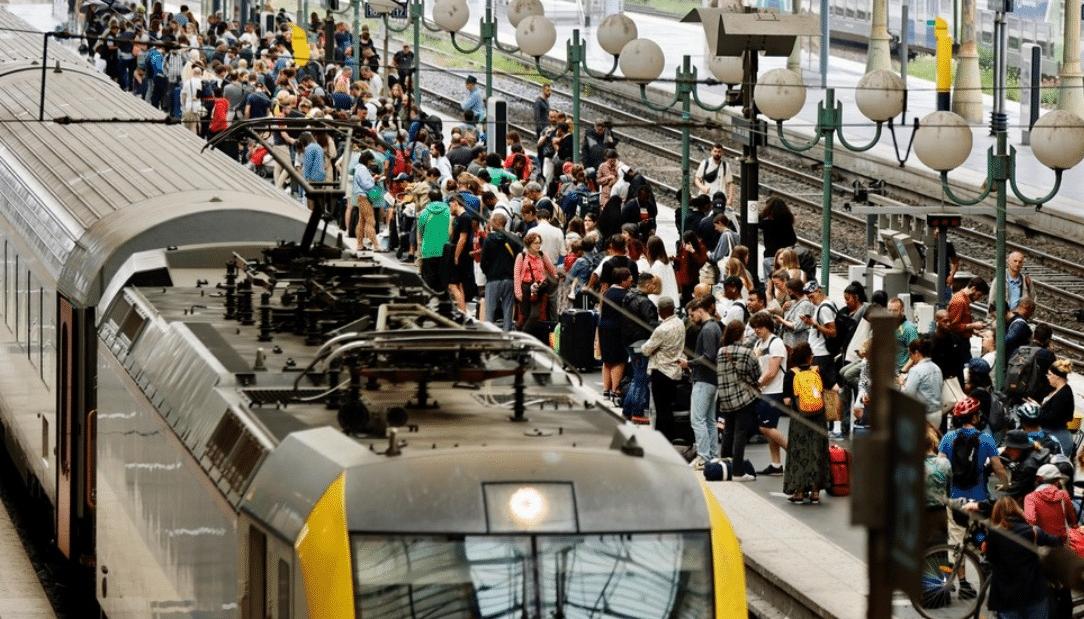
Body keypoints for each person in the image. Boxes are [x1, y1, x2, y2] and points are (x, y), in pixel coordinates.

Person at [940, 398, 1008, 566]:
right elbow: (998, 467)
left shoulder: (948, 438)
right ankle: (983, 557)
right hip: (979, 498)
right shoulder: (986, 439)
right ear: (975, 417)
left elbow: (940, 467)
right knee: (979, 531)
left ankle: (961, 580)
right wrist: (1006, 484)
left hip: (956, 498)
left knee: (957, 536)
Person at [984, 496, 1061, 619]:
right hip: (1034, 593)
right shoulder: (1032, 531)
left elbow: (991, 559)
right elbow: (1057, 542)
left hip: (1007, 597)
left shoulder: (994, 534)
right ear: (1017, 510)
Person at [781, 343, 830, 503]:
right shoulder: (818, 371)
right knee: (817, 451)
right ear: (810, 356)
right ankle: (815, 491)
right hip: (819, 418)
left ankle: (799, 492)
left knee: (799, 452)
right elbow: (832, 389)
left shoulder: (791, 374)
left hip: (800, 420)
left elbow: (787, 401)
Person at [679, 296, 722, 469]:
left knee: (697, 419)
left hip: (704, 379)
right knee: (709, 420)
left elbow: (709, 356)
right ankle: (711, 454)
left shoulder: (708, 329)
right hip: (711, 379)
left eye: (692, 314)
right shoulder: (714, 327)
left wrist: (688, 363)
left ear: (700, 310)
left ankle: (704, 456)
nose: (691, 318)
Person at [717, 319, 761, 481]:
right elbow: (757, 374)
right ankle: (738, 472)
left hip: (726, 397)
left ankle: (725, 465)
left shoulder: (721, 352)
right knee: (740, 433)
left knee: (727, 431)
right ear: (741, 334)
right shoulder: (747, 353)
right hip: (743, 398)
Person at [643, 296, 685, 441]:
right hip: (675, 370)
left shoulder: (661, 329)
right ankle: (670, 437)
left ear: (660, 311)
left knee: (661, 409)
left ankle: (663, 438)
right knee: (668, 407)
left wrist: (654, 350)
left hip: (660, 371)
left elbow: (646, 349)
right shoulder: (680, 323)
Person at [750, 311, 788, 476]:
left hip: (774, 391)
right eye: (755, 327)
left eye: (760, 327)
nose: (757, 330)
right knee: (770, 427)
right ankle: (776, 464)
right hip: (764, 390)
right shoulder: (759, 344)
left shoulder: (776, 343)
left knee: (765, 427)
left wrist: (757, 385)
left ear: (768, 327)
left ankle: (796, 452)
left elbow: (772, 372)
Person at [513, 230, 558, 342]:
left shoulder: (542, 255)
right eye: (535, 243)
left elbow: (552, 270)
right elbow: (516, 275)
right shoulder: (522, 256)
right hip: (525, 287)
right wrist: (518, 292)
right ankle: (524, 338)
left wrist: (556, 276)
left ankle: (521, 338)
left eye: (539, 243)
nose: (538, 245)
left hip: (539, 289)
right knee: (525, 315)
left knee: (535, 315)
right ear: (529, 244)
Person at [480, 211, 522, 331]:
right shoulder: (513, 238)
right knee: (508, 310)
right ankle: (507, 335)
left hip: (493, 278)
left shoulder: (489, 240)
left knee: (490, 311)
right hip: (509, 279)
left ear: (495, 223)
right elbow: (519, 258)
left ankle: (490, 336)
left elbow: (484, 262)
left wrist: (488, 272)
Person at [598, 267, 631, 399]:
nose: (631, 282)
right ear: (622, 281)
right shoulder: (625, 295)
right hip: (617, 329)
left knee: (607, 360)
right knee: (618, 360)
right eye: (629, 280)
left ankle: (606, 390)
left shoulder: (607, 292)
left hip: (603, 327)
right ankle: (616, 390)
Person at [1024, 463, 1076, 542]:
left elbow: (1030, 521)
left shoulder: (1030, 498)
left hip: (1042, 544)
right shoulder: (1063, 495)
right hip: (1062, 542)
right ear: (1057, 482)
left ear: (1038, 479)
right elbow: (1072, 520)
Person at [802, 282, 838, 388]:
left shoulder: (825, 308)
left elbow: (833, 332)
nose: (811, 300)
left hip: (821, 354)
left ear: (818, 291)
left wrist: (815, 325)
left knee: (822, 387)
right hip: (819, 353)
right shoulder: (823, 305)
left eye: (812, 296)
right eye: (809, 298)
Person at [902, 337, 944, 427]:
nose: (911, 357)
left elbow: (908, 395)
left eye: (910, 354)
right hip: (937, 414)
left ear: (916, 353)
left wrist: (902, 384)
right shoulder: (937, 368)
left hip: (923, 415)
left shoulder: (915, 370)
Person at [416, 189, 451, 292]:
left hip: (428, 249)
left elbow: (420, 231)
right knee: (442, 277)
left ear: (430, 199)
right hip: (444, 249)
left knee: (429, 278)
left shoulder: (425, 212)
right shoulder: (448, 211)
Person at [1039, 358, 1075, 455]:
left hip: (1057, 438)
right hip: (1054, 434)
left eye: (1049, 374)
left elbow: (1051, 418)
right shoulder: (1059, 390)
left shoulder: (1064, 394)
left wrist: (1037, 411)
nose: (1047, 377)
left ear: (1057, 376)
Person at [447, 195, 476, 312]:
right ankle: (462, 310)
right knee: (459, 284)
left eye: (450, 205)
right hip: (460, 255)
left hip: (460, 256)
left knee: (452, 284)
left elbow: (462, 239)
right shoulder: (460, 218)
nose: (449, 209)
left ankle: (463, 311)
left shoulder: (465, 218)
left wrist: (456, 256)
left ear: (455, 203)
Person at [924, 424, 951, 547]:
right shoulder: (945, 464)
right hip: (940, 514)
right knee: (939, 554)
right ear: (933, 443)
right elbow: (950, 489)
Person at [759, 197, 797, 279]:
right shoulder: (787, 221)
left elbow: (758, 221)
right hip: (786, 256)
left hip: (771, 255)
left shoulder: (767, 223)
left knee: (771, 281)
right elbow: (793, 239)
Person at [774, 278, 814, 351]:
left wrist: (781, 320)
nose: (788, 293)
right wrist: (783, 309)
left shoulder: (805, 304)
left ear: (795, 290)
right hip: (787, 342)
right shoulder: (792, 302)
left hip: (797, 345)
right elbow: (787, 319)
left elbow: (797, 326)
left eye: (789, 291)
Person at [1004, 296, 1036, 361]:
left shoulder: (1016, 320)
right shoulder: (1020, 323)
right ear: (1026, 307)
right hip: (1011, 357)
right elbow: (1007, 340)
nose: (1032, 314)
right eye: (1032, 311)